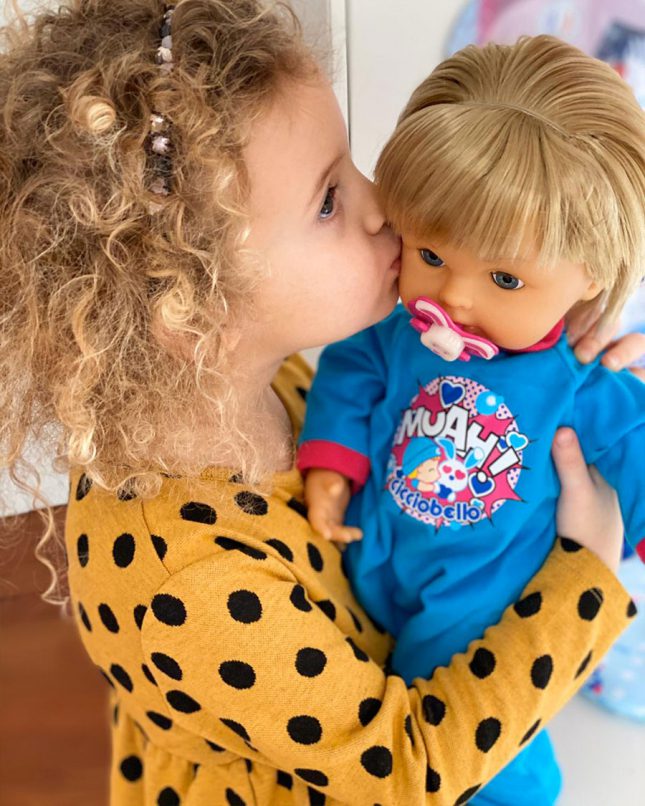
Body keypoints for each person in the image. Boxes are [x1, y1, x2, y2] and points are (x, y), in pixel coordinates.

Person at [0, 4, 640, 804]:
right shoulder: (188, 586)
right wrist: (585, 572)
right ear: (187, 304)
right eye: (329, 198)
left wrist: (542, 311)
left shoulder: (261, 385)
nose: (385, 208)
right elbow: (406, 770)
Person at [298, 35, 645, 805]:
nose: (452, 297)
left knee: (471, 733)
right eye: (428, 254)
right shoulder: (399, 333)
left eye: (503, 277)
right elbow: (353, 372)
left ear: (589, 274)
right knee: (365, 691)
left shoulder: (580, 381)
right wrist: (330, 467)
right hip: (372, 552)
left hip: (474, 601)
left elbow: (636, 443)